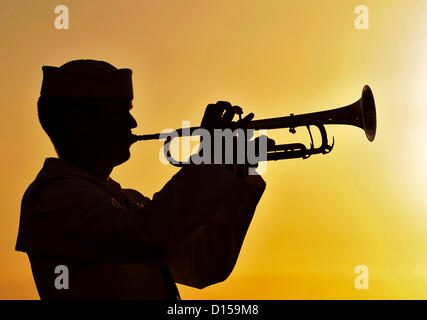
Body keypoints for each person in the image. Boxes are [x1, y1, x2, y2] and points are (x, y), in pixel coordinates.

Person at [15, 59, 269, 300]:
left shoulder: (126, 200)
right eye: (121, 111)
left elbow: (204, 265)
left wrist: (237, 172)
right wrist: (210, 158)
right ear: (82, 123)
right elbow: (146, 236)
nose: (133, 122)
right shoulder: (51, 199)